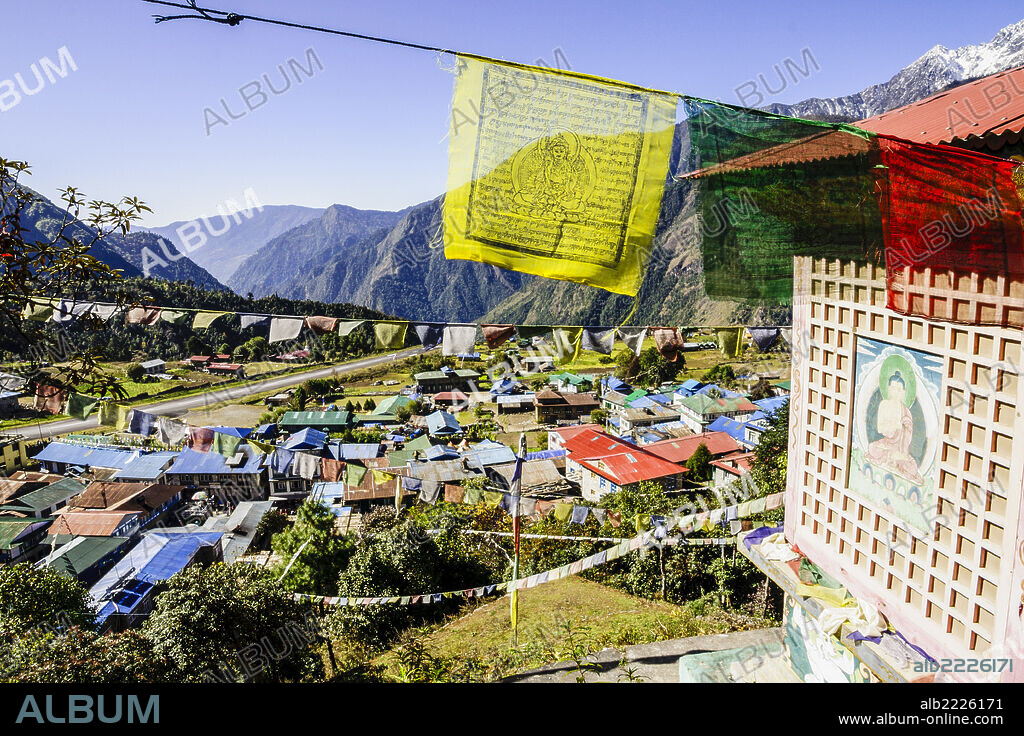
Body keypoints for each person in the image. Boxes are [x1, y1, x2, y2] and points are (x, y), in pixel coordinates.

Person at [865, 370, 924, 484]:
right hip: (886, 444)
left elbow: (908, 435)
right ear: (888, 389)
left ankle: (894, 459)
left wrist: (906, 427)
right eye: (892, 388)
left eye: (898, 389)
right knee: (873, 447)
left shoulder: (905, 411)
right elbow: (880, 429)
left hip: (900, 449)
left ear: (903, 392)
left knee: (912, 466)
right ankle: (892, 458)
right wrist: (891, 428)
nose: (895, 392)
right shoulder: (884, 405)